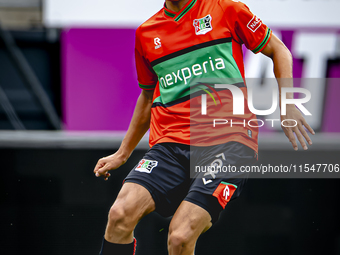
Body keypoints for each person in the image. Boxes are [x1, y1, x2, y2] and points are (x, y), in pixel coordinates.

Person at [93, 0, 315, 254]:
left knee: (180, 236)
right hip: (169, 146)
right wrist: (123, 152)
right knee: (120, 213)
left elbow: (279, 50)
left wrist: (286, 103)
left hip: (228, 141)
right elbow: (147, 95)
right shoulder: (146, 33)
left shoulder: (226, 8)